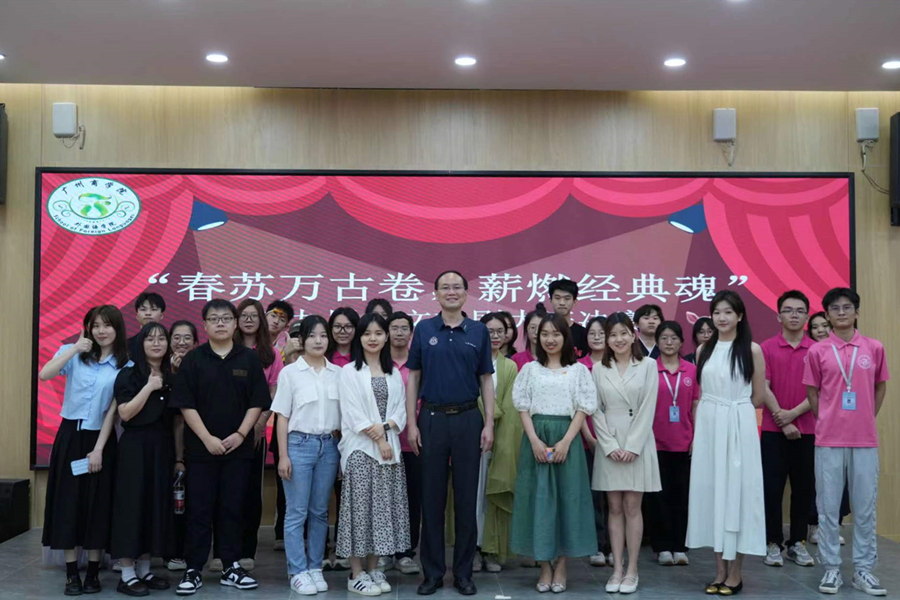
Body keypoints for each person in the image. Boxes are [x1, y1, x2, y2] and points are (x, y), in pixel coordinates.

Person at [170, 299, 271, 595]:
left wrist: (241, 434)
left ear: (235, 322)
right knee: (199, 509)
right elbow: (185, 405)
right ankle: (193, 568)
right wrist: (207, 438)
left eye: (226, 318)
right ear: (204, 325)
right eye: (214, 319)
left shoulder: (248, 358)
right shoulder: (193, 359)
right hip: (201, 450)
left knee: (232, 508)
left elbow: (257, 401)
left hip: (238, 450)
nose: (221, 323)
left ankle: (231, 566)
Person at [405, 270, 495, 596]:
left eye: (457, 287)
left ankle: (463, 574)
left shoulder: (479, 331)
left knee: (466, 499)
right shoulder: (424, 329)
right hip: (431, 419)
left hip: (469, 419)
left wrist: (489, 423)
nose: (451, 291)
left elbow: (486, 379)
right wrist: (412, 422)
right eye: (445, 287)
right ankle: (431, 573)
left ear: (466, 293)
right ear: (436, 294)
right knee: (432, 499)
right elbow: (414, 377)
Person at [40, 305, 130, 596]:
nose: (101, 331)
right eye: (95, 326)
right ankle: (71, 575)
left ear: (117, 328)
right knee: (68, 504)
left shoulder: (125, 365)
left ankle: (92, 573)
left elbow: (113, 412)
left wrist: (99, 449)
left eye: (107, 325)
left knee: (97, 505)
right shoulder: (74, 353)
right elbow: (45, 375)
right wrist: (74, 349)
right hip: (70, 436)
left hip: (101, 438)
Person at [804, 287, 889, 596]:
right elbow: (812, 392)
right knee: (827, 507)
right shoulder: (817, 351)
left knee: (865, 508)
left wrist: (865, 418)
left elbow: (880, 386)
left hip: (864, 439)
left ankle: (864, 570)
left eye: (847, 307)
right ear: (827, 315)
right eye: (835, 308)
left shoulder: (874, 348)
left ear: (856, 312)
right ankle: (831, 568)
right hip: (828, 439)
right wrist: (827, 419)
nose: (841, 312)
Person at [686, 290, 767, 596]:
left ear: (740, 316)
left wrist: (734, 413)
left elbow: (758, 396)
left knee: (738, 494)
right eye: (717, 312)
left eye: (728, 312)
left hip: (739, 424)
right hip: (709, 425)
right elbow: (701, 391)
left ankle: (736, 573)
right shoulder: (703, 350)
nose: (721, 318)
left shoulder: (752, 350)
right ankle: (719, 570)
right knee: (713, 494)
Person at [510, 313, 598, 592]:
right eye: (544, 334)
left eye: (556, 334)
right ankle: (545, 565)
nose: (550, 339)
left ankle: (561, 566)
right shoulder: (530, 370)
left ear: (565, 337)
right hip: (536, 439)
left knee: (567, 501)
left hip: (566, 441)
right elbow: (522, 407)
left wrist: (567, 441)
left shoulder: (579, 371)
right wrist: (534, 441)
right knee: (539, 502)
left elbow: (583, 408)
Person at [337, 313, 411, 596]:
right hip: (361, 451)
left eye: (378, 333)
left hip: (389, 452)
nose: (373, 338)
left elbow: (400, 411)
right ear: (359, 337)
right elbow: (353, 413)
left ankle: (372, 568)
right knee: (359, 513)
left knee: (381, 512)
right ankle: (355, 574)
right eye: (367, 333)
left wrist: (386, 429)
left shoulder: (393, 372)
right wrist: (380, 438)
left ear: (386, 336)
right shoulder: (349, 372)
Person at [272, 315, 343, 596]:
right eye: (312, 335)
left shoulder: (338, 373)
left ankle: (315, 567)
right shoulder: (290, 373)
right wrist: (283, 456)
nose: (318, 341)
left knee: (320, 511)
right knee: (296, 512)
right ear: (302, 340)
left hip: (329, 446)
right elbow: (282, 417)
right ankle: (297, 571)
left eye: (323, 335)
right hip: (299, 445)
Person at [209, 299, 282, 573]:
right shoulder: (225, 349)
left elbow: (274, 391)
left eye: (254, 315)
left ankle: (246, 551)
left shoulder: (270, 354)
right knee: (222, 493)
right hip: (223, 431)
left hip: (255, 434)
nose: (249, 320)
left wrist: (260, 423)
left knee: (250, 493)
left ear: (261, 320)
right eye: (244, 315)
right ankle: (221, 552)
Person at [592, 312, 661, 594]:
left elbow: (648, 407)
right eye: (613, 335)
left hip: (638, 442)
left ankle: (632, 570)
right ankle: (617, 569)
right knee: (614, 507)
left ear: (633, 335)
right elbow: (594, 410)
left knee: (633, 507)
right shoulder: (598, 369)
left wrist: (632, 446)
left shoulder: (648, 365)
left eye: (623, 333)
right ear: (607, 340)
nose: (618, 339)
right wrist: (609, 445)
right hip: (609, 443)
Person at [110, 322, 175, 596]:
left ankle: (145, 571)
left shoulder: (171, 375)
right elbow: (125, 413)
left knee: (154, 507)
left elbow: (177, 420)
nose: (156, 343)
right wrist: (148, 387)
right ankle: (126, 575)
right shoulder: (129, 374)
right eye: (150, 339)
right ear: (141, 344)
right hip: (134, 448)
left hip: (162, 447)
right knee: (131, 507)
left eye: (161, 338)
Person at [759, 291, 816, 568]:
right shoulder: (766, 348)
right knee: (772, 489)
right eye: (788, 310)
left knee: (804, 490)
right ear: (778, 315)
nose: (794, 315)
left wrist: (792, 415)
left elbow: (820, 390)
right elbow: (763, 387)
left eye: (800, 311)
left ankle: (797, 543)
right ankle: (772, 543)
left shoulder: (817, 349)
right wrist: (782, 419)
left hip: (809, 430)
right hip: (773, 431)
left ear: (807, 316)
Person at [645, 321, 699, 567]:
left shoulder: (691, 370)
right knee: (658, 497)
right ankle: (662, 547)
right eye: (664, 338)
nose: (669, 342)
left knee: (682, 496)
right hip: (655, 443)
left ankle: (680, 546)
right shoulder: (648, 369)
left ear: (681, 342)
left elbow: (696, 404)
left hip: (684, 442)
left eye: (674, 338)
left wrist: (696, 437)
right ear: (657, 342)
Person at [475, 313, 520, 572]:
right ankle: (471, 549)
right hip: (470, 438)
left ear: (507, 335)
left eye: (499, 331)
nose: (494, 336)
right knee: (471, 497)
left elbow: (511, 408)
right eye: (489, 331)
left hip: (500, 438)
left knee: (492, 496)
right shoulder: (470, 361)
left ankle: (490, 550)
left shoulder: (510, 367)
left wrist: (494, 424)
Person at [805, 310, 850, 546]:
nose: (820, 330)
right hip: (813, 424)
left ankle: (835, 523)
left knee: (842, 478)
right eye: (815, 327)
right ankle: (815, 525)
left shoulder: (846, 353)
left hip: (842, 426)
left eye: (824, 325)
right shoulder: (812, 353)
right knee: (817, 479)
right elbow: (811, 391)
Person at [387, 312, 422, 575]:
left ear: (411, 333)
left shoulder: (419, 362)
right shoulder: (378, 362)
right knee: (385, 499)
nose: (399, 333)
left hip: (414, 442)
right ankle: (384, 551)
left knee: (412, 498)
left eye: (404, 328)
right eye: (394, 328)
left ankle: (406, 553)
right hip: (383, 442)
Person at [578, 315, 613, 568]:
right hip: (586, 441)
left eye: (602, 333)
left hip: (616, 441)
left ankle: (614, 546)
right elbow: (575, 406)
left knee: (615, 497)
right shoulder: (579, 367)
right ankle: (597, 546)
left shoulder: (618, 365)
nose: (597, 337)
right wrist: (589, 437)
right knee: (592, 497)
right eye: (592, 333)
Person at [165, 320, 199, 573]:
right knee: (169, 501)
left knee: (192, 502)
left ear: (196, 342)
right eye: (176, 337)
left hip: (196, 444)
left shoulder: (202, 366)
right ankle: (168, 551)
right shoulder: (160, 369)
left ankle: (186, 552)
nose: (182, 343)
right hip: (164, 444)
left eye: (187, 338)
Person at [266, 300, 294, 551]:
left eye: (282, 318)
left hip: (287, 419)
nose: (276, 321)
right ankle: (280, 531)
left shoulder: (289, 345)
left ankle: (287, 530)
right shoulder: (249, 343)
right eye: (273, 315)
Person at [548, 278, 589, 357]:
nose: (562, 303)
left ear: (574, 302)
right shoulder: (543, 331)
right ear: (550, 301)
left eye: (567, 298)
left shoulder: (583, 333)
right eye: (557, 298)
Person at [128, 292, 166, 359]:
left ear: (161, 315)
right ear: (136, 315)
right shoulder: (127, 345)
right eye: (143, 309)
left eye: (153, 309)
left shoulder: (169, 343)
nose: (148, 313)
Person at [511, 304, 548, 372]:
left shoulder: (554, 359)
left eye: (541, 328)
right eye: (533, 327)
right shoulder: (516, 359)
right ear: (526, 330)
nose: (536, 332)